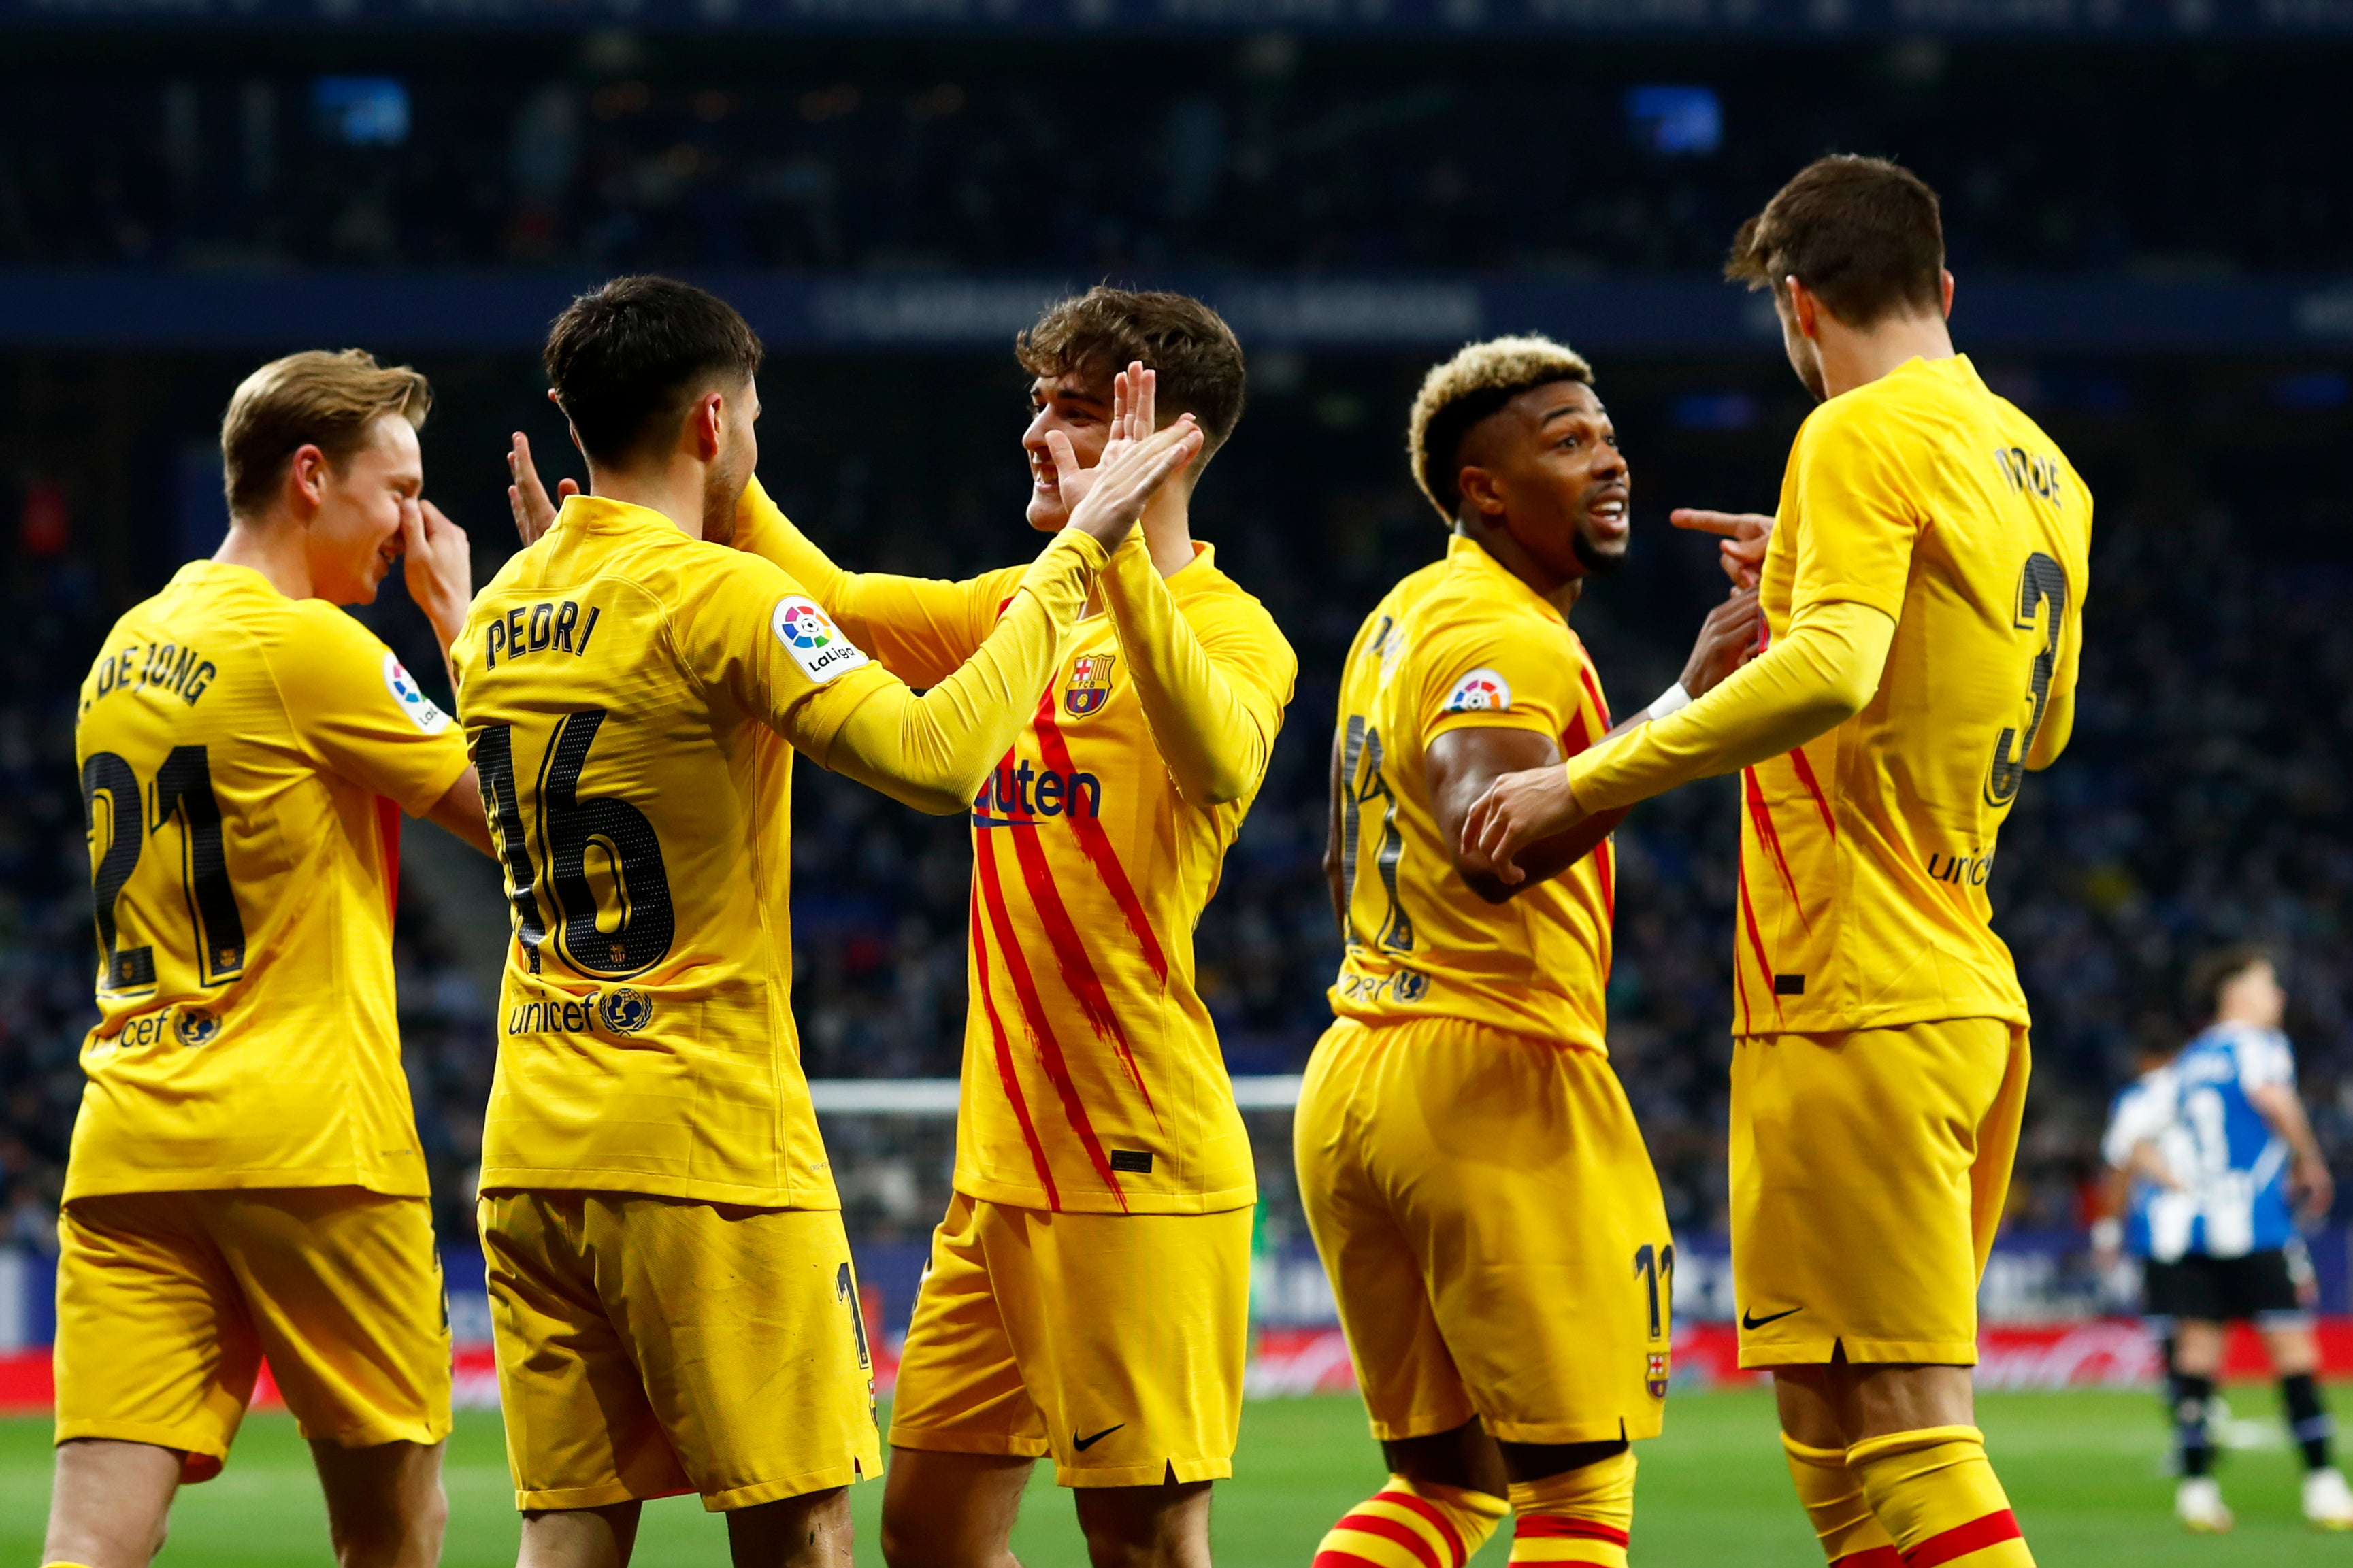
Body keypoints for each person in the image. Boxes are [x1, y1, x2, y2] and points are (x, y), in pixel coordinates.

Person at [511, 285, 1296, 1568]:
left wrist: (1112, 555)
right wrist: (648, 508)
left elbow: (1215, 763)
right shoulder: (1012, 609)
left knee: (1146, 1539)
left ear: (1175, 443)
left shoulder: (1231, 628)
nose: (1038, 434)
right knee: (926, 1534)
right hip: (994, 1181)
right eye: (1035, 406)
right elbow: (827, 599)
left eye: (1080, 413)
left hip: (1137, 1159)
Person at [1464, 154, 2094, 1568]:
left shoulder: (1857, 434)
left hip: (1860, 989)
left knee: (1911, 1422)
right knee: (1826, 1425)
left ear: (1797, 308)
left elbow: (1826, 672)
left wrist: (1587, 774)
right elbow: (2039, 727)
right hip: (1955, 986)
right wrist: (1821, 581)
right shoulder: (2047, 470)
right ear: (1941, 288)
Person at [1298, 335, 1760, 1568]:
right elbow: (1489, 830)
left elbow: (1340, 857)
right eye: (1564, 444)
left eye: (1604, 435)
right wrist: (1685, 708)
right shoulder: (1499, 634)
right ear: (1481, 490)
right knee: (1574, 1499)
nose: (1606, 461)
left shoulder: (1401, 616)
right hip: (1488, 1081)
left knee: (1444, 1495)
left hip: (1359, 1068)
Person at [52, 349, 495, 1568]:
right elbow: (523, 825)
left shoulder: (121, 652)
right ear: (311, 477)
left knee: (90, 1543)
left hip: (133, 1141)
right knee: (392, 1539)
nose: (415, 522)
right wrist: (459, 623)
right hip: (311, 1148)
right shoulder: (313, 649)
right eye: (398, 488)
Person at [2101, 946, 2350, 1532]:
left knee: (2195, 1361)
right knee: (2294, 1356)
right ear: (2235, 991)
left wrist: (2168, 1182)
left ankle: (2196, 1492)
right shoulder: (2259, 1045)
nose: (2279, 997)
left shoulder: (2187, 1061)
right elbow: (2273, 1097)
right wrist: (2309, 1160)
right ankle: (2323, 1485)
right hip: (2255, 1224)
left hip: (2191, 1230)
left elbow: (2137, 1140)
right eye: (2268, 984)